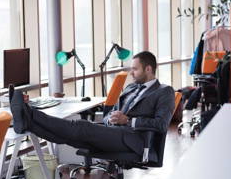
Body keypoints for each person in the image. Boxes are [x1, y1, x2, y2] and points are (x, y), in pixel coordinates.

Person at [10, 51, 175, 158]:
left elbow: (161, 124)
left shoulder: (163, 91)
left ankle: (29, 114)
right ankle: (28, 123)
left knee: (82, 127)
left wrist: (128, 121)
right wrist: (111, 118)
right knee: (68, 137)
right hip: (114, 132)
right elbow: (115, 112)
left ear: (148, 69)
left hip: (134, 140)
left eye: (135, 69)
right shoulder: (131, 87)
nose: (131, 73)